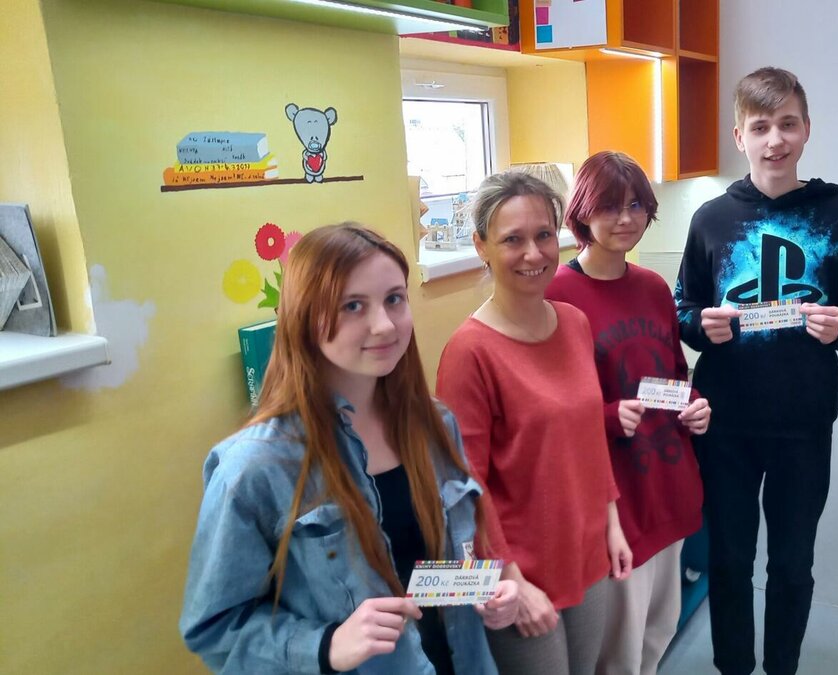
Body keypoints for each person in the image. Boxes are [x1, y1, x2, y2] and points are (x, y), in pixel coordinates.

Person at [179, 224, 517, 675]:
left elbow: (428, 564)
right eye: (353, 306)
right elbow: (214, 628)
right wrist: (326, 646)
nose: (384, 325)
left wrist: (485, 589)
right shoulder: (255, 468)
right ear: (305, 317)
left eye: (394, 299)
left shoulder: (435, 424)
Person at [674, 67, 838, 675]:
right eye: (760, 127)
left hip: (804, 421)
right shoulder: (711, 217)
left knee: (792, 564)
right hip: (725, 421)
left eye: (787, 124)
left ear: (807, 128)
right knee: (730, 559)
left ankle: (782, 666)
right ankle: (733, 666)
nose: (775, 140)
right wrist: (699, 325)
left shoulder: (837, 213)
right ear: (740, 137)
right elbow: (683, 307)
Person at [435, 171, 633, 675]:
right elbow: (464, 485)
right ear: (481, 246)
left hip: (586, 552)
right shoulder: (469, 352)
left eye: (544, 235)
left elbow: (589, 442)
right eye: (512, 239)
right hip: (520, 572)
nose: (533, 253)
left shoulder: (575, 323)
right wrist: (509, 578)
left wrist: (612, 524)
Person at [544, 150, 710, 675]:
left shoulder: (653, 286)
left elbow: (672, 375)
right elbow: (550, 410)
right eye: (610, 206)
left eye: (636, 205)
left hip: (668, 480)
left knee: (658, 634)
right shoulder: (557, 294)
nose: (625, 218)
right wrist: (610, 416)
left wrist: (694, 406)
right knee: (618, 652)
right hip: (616, 500)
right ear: (582, 212)